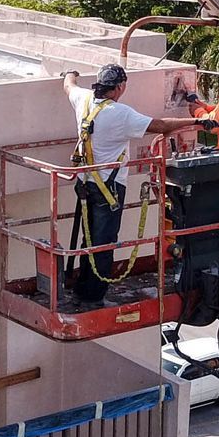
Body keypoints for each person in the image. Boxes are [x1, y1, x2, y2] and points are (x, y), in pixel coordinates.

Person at [63, 64, 210, 305]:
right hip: (108, 189)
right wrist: (199, 123)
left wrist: (70, 73)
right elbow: (160, 126)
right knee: (103, 242)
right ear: (119, 87)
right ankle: (91, 295)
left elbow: (69, 86)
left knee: (88, 239)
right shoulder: (120, 114)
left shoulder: (84, 99)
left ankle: (81, 289)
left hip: (84, 184)